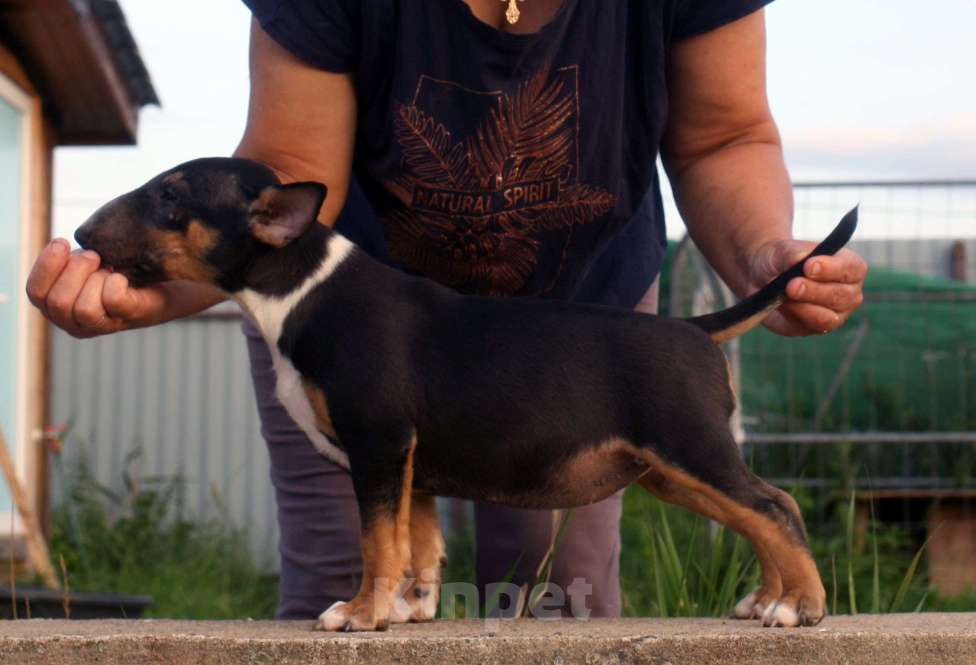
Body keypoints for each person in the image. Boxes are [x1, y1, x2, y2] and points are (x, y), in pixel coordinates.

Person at [26, 0, 867, 620]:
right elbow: (279, 178)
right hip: (348, 315)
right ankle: (404, 580)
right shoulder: (282, 235)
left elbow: (724, 134)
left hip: (590, 333)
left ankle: (795, 574)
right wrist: (154, 289)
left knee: (555, 604)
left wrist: (767, 251)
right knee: (337, 584)